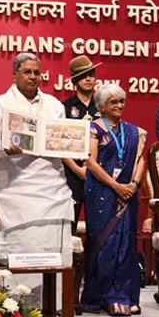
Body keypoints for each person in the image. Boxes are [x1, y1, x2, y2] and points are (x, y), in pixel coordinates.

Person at [0, 53, 73, 294]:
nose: (33, 77)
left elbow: (63, 137)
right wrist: (4, 149)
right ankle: (16, 309)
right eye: (27, 72)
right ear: (15, 74)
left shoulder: (55, 105)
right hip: (16, 189)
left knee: (52, 252)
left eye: (36, 72)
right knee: (20, 249)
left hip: (52, 187)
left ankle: (53, 310)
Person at [81, 83, 147, 316]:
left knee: (127, 245)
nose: (119, 106)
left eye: (121, 101)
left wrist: (134, 184)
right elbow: (90, 162)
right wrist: (116, 186)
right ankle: (102, 297)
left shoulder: (133, 131)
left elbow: (141, 159)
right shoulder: (93, 129)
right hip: (102, 194)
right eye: (113, 102)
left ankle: (125, 296)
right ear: (101, 106)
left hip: (128, 194)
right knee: (105, 245)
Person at [60, 55, 101, 225]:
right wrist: (78, 170)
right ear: (75, 81)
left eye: (91, 74)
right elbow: (59, 145)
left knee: (99, 227)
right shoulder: (65, 106)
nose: (88, 79)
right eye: (83, 76)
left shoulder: (103, 105)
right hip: (72, 173)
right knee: (70, 224)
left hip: (99, 173)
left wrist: (94, 169)